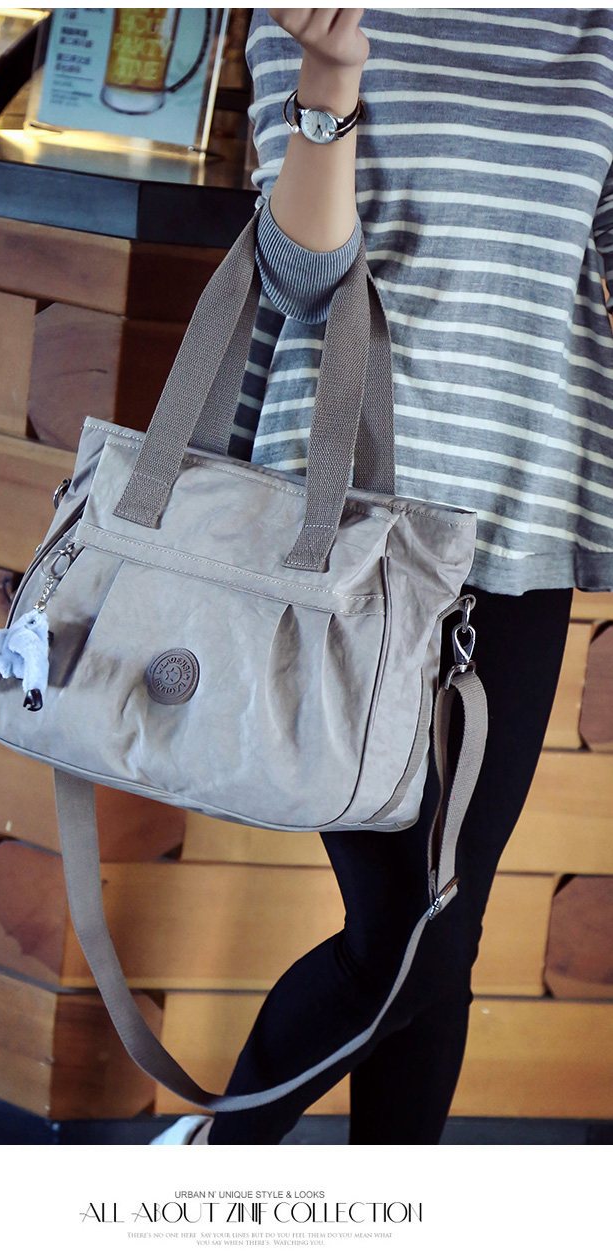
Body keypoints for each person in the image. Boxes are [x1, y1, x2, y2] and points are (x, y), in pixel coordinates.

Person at [151, 7, 613, 1146]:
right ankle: (211, 1162)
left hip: (521, 520)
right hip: (349, 524)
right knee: (409, 932)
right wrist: (331, 71)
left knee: (445, 929)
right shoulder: (323, 15)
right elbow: (299, 274)